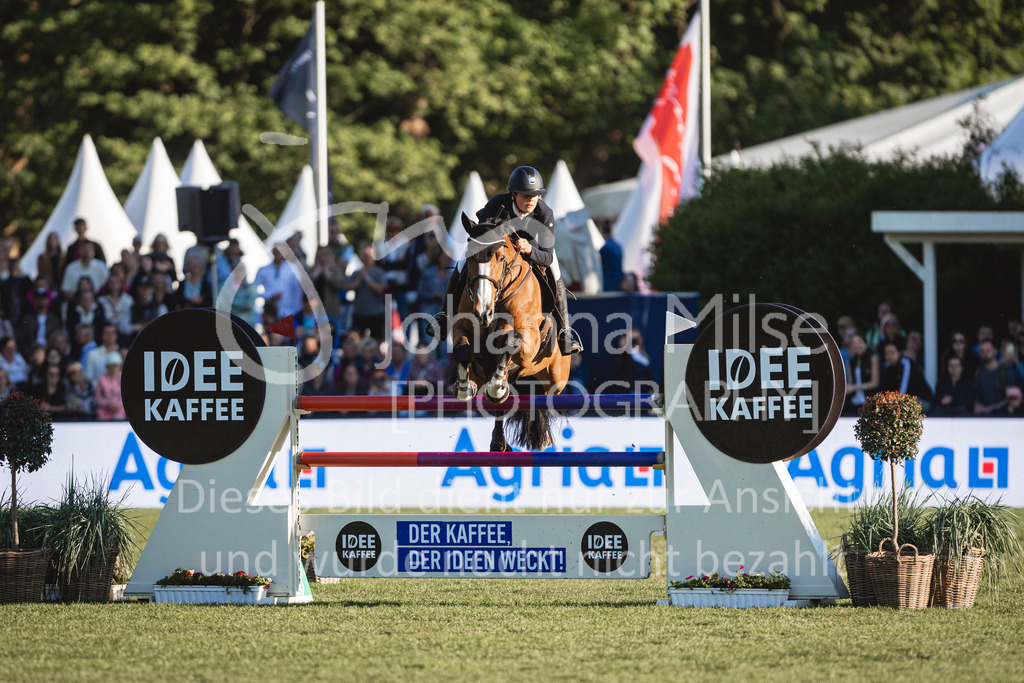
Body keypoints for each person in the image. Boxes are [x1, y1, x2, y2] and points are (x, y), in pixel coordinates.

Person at [432, 166, 582, 354]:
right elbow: (482, 236)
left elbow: (547, 256)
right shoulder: (496, 205)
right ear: (513, 194)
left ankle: (564, 331)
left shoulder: (544, 214)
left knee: (555, 267)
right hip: (497, 248)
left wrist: (529, 250)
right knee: (463, 258)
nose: (530, 201)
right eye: (525, 196)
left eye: (534, 196)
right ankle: (444, 317)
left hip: (532, 248)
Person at [344, 242, 388, 342]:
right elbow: (347, 287)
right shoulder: (357, 273)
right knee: (357, 339)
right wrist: (360, 278)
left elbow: (381, 289)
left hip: (375, 313)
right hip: (359, 312)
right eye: (364, 255)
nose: (367, 258)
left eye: (369, 255)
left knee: (377, 340)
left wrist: (366, 278)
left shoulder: (379, 272)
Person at [879, 338, 934, 413]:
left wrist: (893, 403)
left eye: (892, 353)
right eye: (887, 353)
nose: (889, 356)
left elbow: (903, 391)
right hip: (902, 401)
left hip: (922, 401)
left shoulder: (906, 364)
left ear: (899, 353)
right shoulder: (887, 367)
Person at [254, 244, 305, 321]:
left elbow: (297, 291)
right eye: (277, 252)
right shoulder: (263, 270)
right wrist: (269, 296)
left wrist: (296, 309)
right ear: (273, 252)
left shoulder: (293, 269)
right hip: (270, 311)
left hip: (289, 311)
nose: (279, 255)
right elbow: (254, 290)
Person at [843, 333, 880, 415]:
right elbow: (850, 383)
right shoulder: (852, 361)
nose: (856, 345)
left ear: (865, 342)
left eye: (859, 341)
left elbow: (875, 383)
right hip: (854, 400)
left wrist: (855, 387)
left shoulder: (872, 357)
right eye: (853, 343)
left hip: (869, 399)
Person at [973, 338, 1009, 416]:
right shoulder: (978, 372)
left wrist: (989, 409)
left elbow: (1011, 399)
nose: (985, 353)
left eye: (988, 350)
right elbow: (976, 394)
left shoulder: (1005, 371)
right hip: (982, 419)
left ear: (995, 351)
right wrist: (977, 406)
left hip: (1002, 419)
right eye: (982, 351)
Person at [94, 351, 126, 420]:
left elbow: (127, 396)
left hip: (120, 411)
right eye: (112, 365)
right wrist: (108, 404)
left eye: (116, 365)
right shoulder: (102, 379)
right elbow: (98, 397)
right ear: (107, 366)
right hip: (104, 411)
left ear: (120, 365)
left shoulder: (125, 379)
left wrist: (117, 404)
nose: (114, 368)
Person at [598, 219, 623, 293]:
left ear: (602, 232)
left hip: (607, 286)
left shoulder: (604, 248)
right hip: (618, 284)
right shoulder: (618, 247)